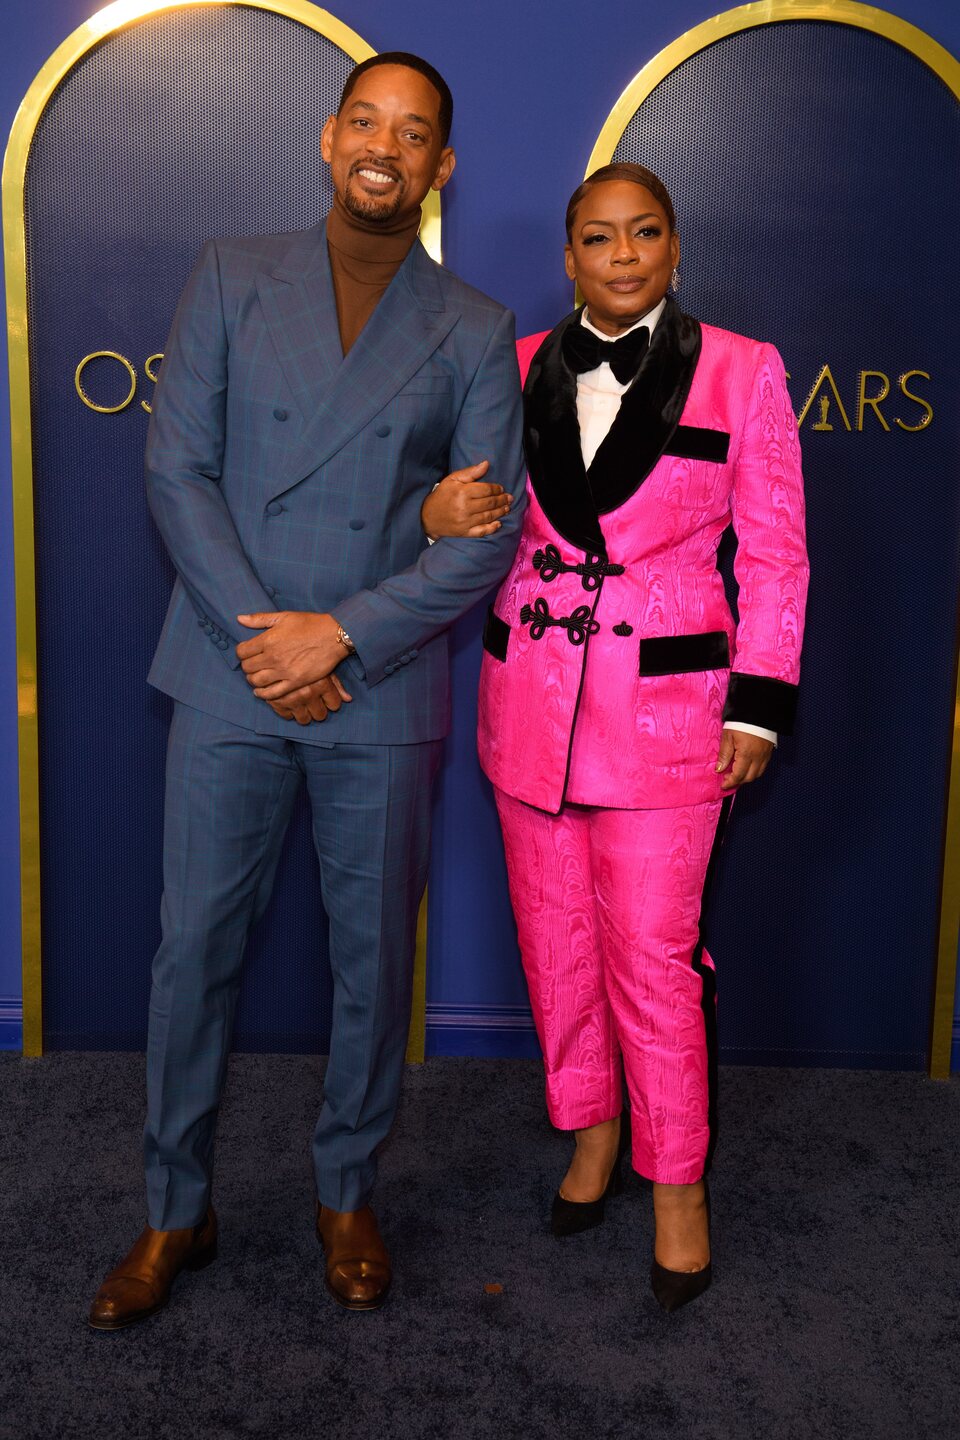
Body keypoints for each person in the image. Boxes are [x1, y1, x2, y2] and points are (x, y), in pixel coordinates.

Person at [88, 52, 525, 1328]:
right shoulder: (230, 273)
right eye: (365, 123)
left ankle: (347, 1193)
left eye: (416, 133)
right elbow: (181, 475)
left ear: (441, 166)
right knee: (192, 957)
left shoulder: (479, 329)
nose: (386, 148)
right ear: (329, 143)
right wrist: (266, 642)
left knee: (370, 963)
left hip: (375, 685)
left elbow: (484, 536)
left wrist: (339, 636)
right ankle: (177, 1209)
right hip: (234, 674)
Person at [462, 162, 807, 1310]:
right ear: (568, 257)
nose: (621, 255)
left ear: (673, 247)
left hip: (668, 717)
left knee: (651, 960)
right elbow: (480, 526)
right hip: (530, 702)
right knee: (555, 947)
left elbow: (773, 552)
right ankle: (592, 1132)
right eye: (598, 238)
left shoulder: (743, 370)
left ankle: (676, 1185)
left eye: (643, 233)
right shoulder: (511, 371)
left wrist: (759, 700)